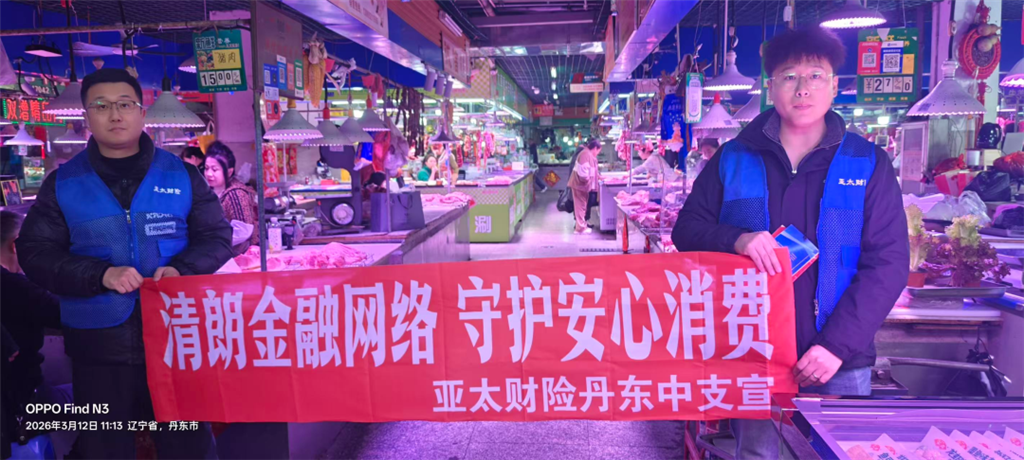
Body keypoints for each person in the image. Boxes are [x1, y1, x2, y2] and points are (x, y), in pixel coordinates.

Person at [671, 27, 908, 459]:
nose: (803, 89)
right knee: (757, 455)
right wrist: (736, 238)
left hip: (839, 360)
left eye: (815, 75)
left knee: (838, 454)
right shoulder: (733, 158)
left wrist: (836, 346)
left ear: (834, 86)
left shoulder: (867, 163)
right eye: (789, 76)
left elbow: (889, 263)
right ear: (770, 87)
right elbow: (686, 230)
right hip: (754, 351)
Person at [16, 68, 232, 460]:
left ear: (141, 113)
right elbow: (34, 252)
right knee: (104, 448)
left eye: (125, 104)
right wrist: (99, 274)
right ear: (86, 116)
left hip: (175, 342)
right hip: (97, 350)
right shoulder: (63, 183)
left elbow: (217, 236)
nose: (114, 115)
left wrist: (182, 269)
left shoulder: (182, 175)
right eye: (101, 106)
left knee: (187, 446)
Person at [0, 210, 65, 459]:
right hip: (23, 399)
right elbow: (67, 316)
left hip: (14, 398)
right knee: (104, 405)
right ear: (16, 245)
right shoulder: (17, 287)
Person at [205, 141, 260, 256]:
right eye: (206, 168)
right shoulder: (209, 191)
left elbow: (243, 231)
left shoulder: (236, 194)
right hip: (218, 255)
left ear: (229, 172)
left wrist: (213, 243)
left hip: (239, 257)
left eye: (214, 169)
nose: (209, 173)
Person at [566, 139, 602, 234]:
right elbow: (583, 173)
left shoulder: (587, 154)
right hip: (580, 185)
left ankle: (582, 226)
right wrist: (588, 181)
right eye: (598, 151)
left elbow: (591, 171)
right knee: (580, 206)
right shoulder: (585, 154)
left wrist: (598, 177)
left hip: (581, 185)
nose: (598, 153)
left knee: (582, 206)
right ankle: (580, 228)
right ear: (595, 148)